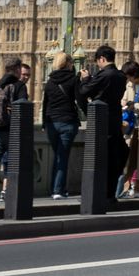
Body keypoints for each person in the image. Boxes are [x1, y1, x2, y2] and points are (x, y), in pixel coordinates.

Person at [77, 44, 129, 199]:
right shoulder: (121, 76)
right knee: (114, 157)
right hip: (115, 119)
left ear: (102, 59)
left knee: (99, 157)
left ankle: (95, 192)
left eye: (97, 61)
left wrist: (86, 79)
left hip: (100, 120)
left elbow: (84, 91)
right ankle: (110, 193)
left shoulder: (104, 75)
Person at [0, 56, 28, 203]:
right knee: (12, 162)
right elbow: (22, 107)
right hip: (11, 129)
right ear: (17, 69)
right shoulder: (19, 85)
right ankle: (7, 193)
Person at [42, 52, 83, 199]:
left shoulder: (50, 82)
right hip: (67, 122)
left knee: (58, 156)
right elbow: (80, 99)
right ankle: (58, 191)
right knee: (62, 157)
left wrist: (43, 124)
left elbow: (45, 103)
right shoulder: (73, 80)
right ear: (68, 64)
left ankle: (55, 188)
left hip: (51, 123)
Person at [117, 61, 139, 197]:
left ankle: (138, 187)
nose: (127, 79)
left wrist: (136, 106)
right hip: (129, 126)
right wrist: (124, 104)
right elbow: (123, 100)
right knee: (127, 159)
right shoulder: (129, 85)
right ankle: (125, 188)